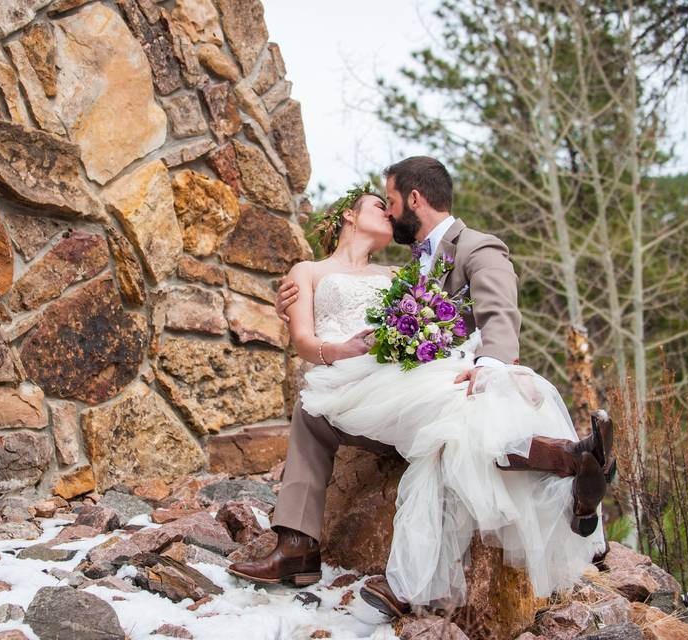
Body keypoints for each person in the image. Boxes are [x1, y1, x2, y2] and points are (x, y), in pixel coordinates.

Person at [226, 156, 614, 619]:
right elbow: (319, 327)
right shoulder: (404, 266)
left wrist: (489, 364)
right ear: (349, 216)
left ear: (413, 199)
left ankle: (397, 578)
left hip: (431, 377)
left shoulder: (472, 247)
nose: (389, 214)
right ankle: (573, 462)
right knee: (332, 415)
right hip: (385, 381)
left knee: (455, 430)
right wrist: (291, 304)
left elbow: (499, 315)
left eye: (389, 202)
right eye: (380, 206)